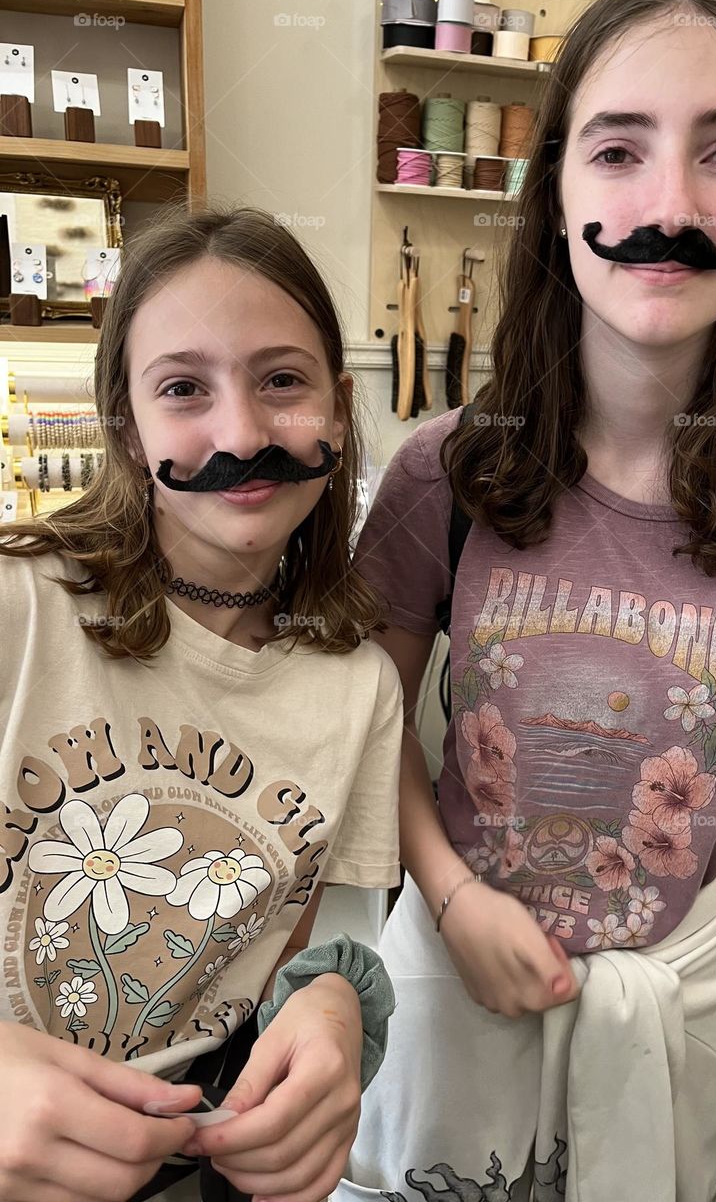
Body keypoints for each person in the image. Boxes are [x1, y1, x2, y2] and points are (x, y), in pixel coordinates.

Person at [337, 0, 716, 1202]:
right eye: (620, 148)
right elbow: (367, 724)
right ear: (557, 189)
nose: (672, 201)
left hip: (682, 1011)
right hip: (454, 988)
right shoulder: (445, 475)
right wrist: (454, 887)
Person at [0, 206, 403, 1202]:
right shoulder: (19, 608)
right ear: (128, 429)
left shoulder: (360, 691)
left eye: (282, 381)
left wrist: (333, 1002)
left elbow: (309, 942)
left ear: (339, 409)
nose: (243, 433)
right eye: (185, 388)